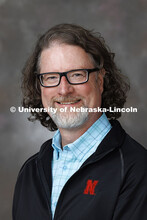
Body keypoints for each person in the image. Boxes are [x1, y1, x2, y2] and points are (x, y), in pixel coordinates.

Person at [12, 23, 147, 220]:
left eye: (77, 75)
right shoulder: (30, 172)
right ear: (40, 86)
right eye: (51, 77)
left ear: (100, 81)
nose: (64, 89)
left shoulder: (136, 169)